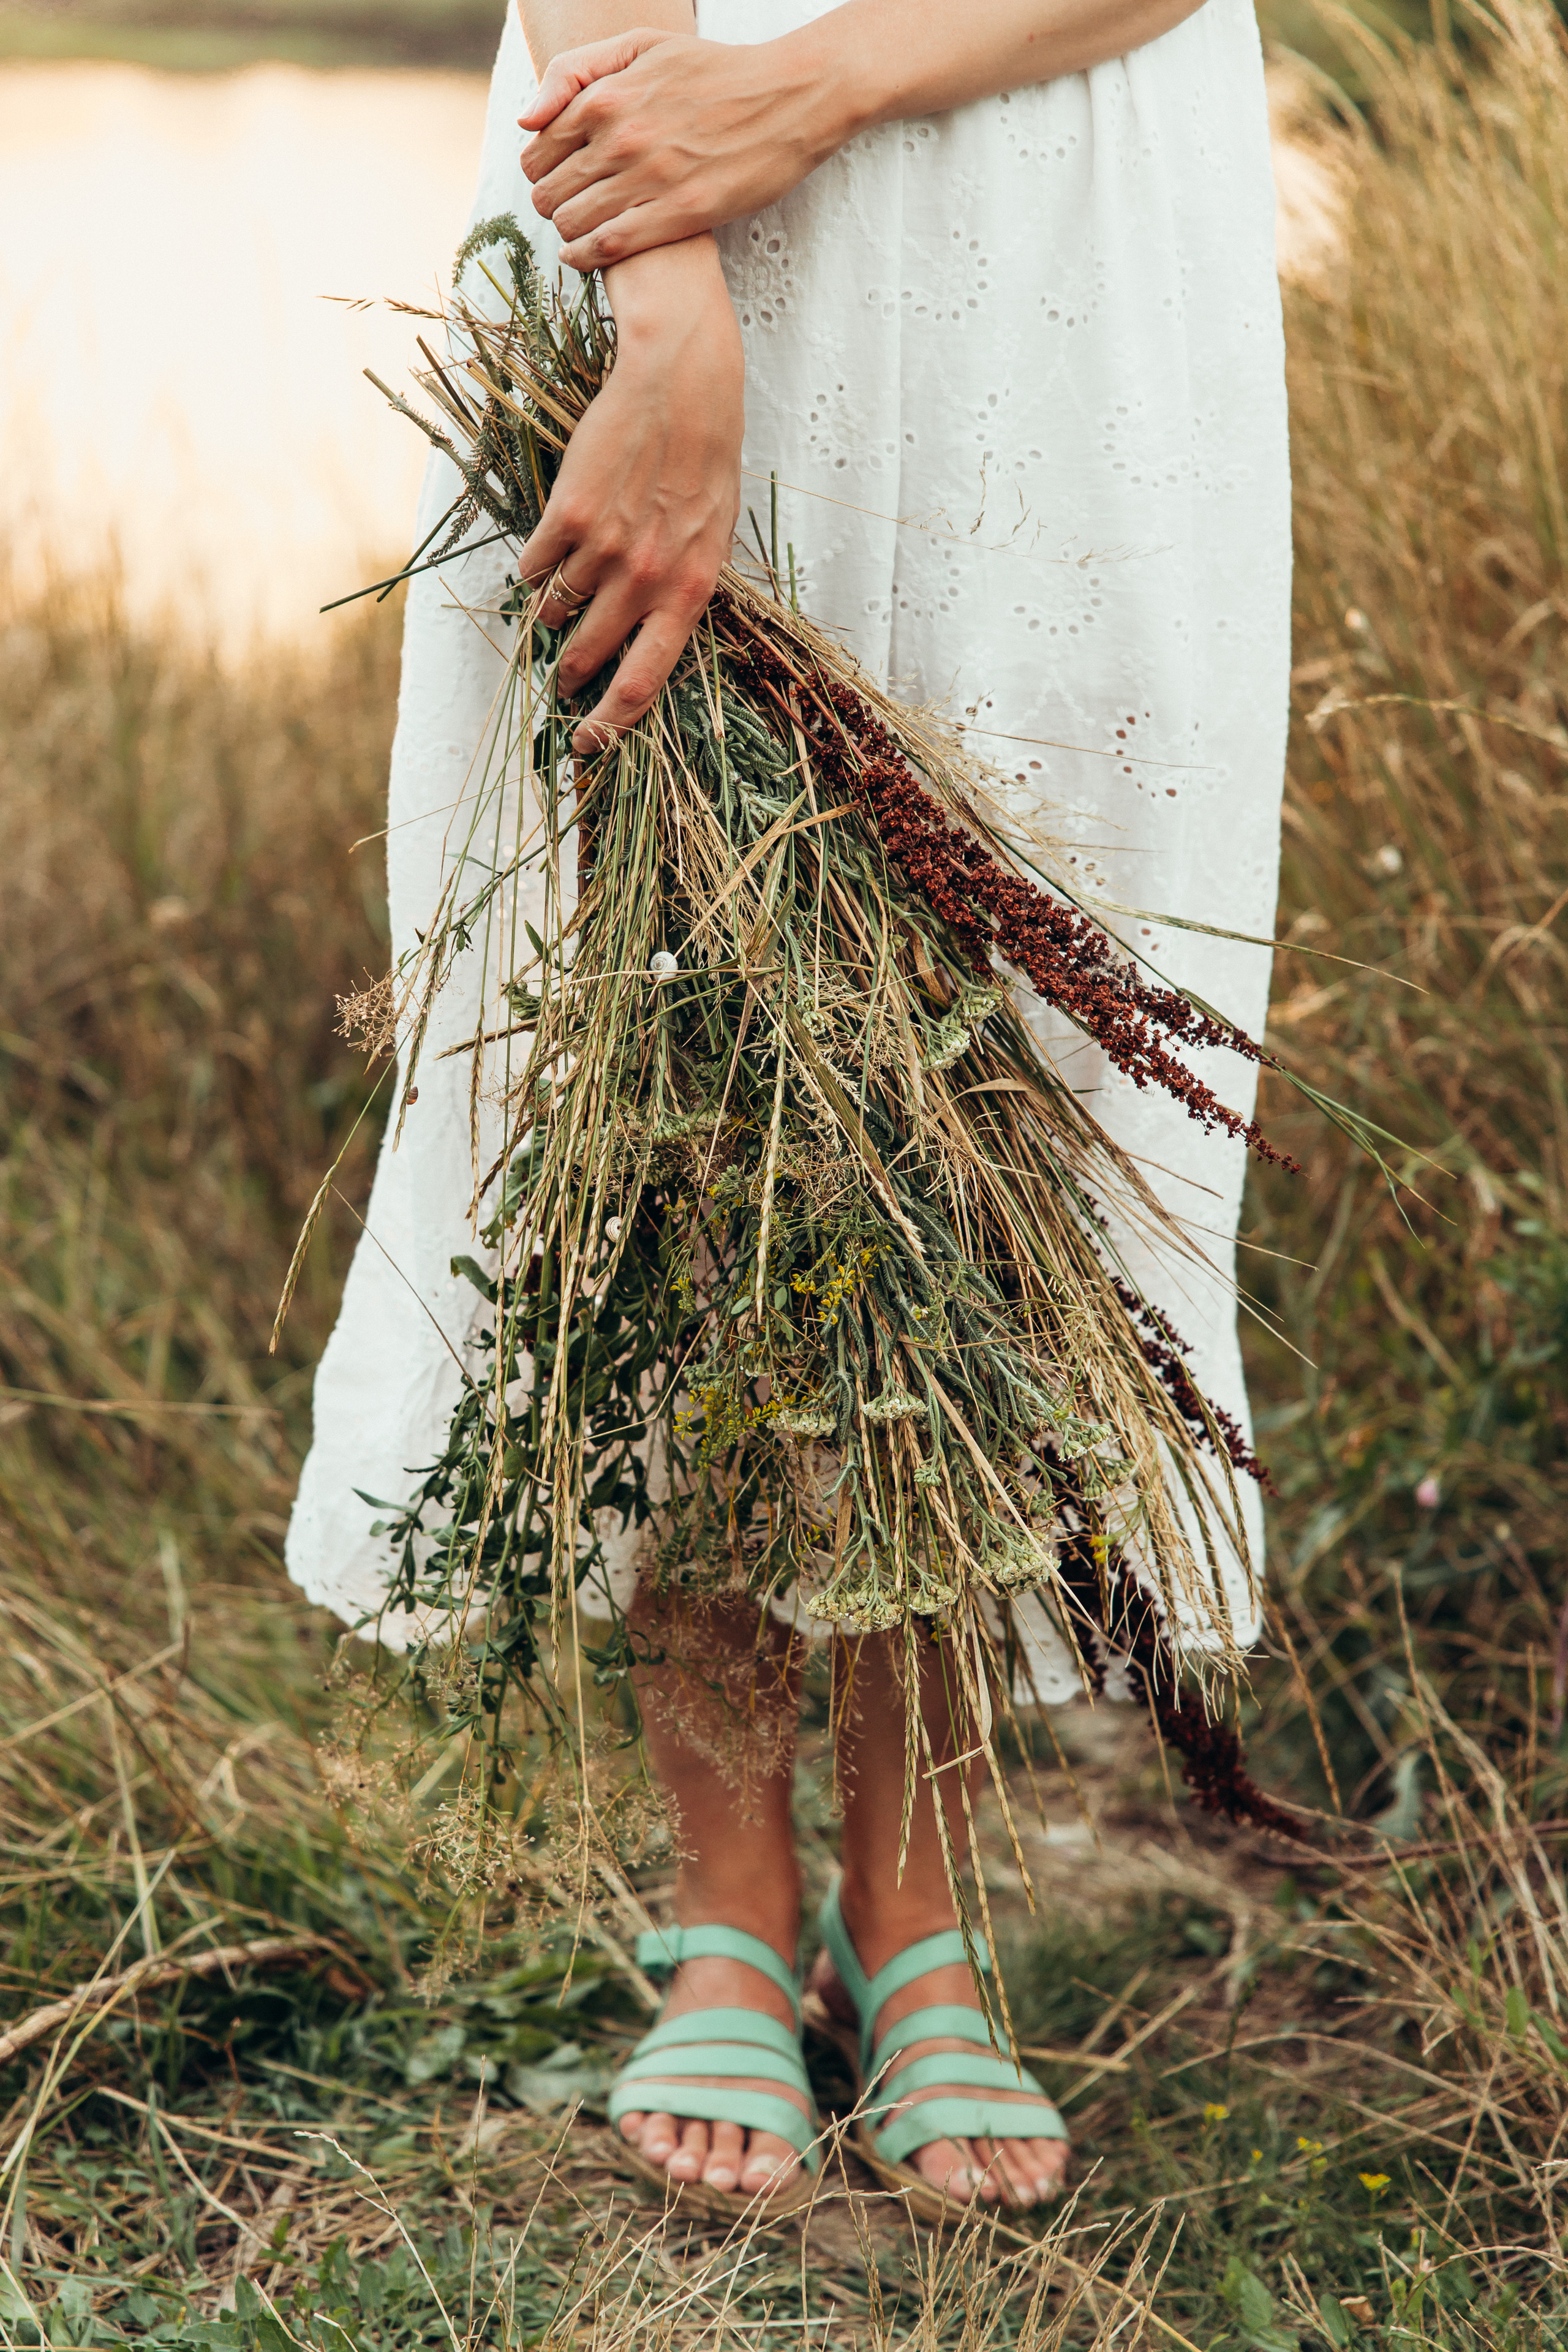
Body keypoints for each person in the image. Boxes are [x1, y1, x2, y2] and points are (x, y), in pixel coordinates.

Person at [288, 0, 1288, 2214]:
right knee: (690, 1027)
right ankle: (734, 1901)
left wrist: (823, 85)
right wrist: (661, 270)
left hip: (1068, 193)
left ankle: (921, 1923)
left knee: (984, 1059)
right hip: (652, 129)